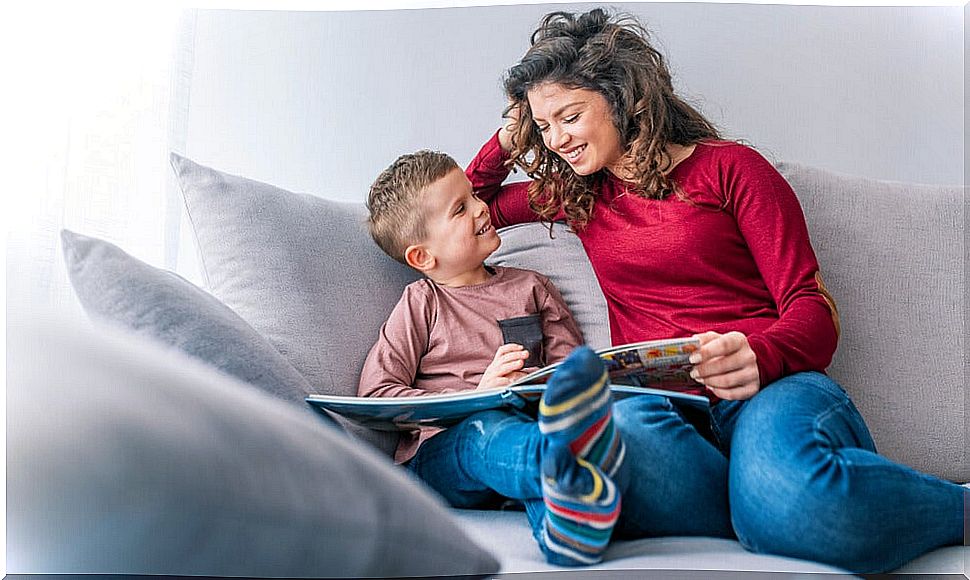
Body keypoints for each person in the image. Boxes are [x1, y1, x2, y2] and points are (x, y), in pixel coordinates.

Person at [465, 7, 967, 574]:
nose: (556, 141)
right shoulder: (580, 196)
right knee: (615, 430)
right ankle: (749, 505)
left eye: (569, 116)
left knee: (786, 501)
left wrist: (758, 355)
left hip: (771, 390)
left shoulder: (731, 170)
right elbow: (470, 209)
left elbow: (812, 308)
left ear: (625, 98)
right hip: (661, 413)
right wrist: (508, 137)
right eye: (543, 126)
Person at [357, 149, 630, 565]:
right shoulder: (422, 302)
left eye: (474, 196)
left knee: (547, 429)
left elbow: (570, 374)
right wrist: (477, 394)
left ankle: (568, 531)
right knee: (482, 433)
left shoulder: (531, 287)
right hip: (446, 453)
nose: (482, 208)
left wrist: (540, 385)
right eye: (460, 208)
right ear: (423, 257)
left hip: (529, 428)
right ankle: (568, 465)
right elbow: (377, 394)